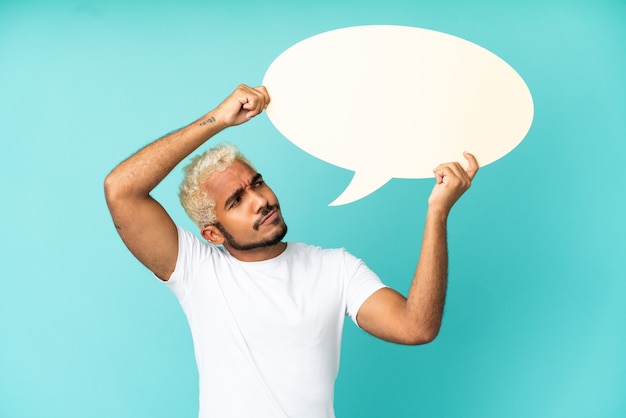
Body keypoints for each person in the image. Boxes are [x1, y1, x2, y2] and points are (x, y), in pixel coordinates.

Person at [104, 84, 478, 418]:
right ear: (213, 234)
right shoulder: (196, 271)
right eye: (237, 200)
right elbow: (121, 189)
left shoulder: (335, 268)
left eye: (258, 183)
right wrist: (218, 119)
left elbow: (416, 327)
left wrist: (437, 212)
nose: (261, 201)